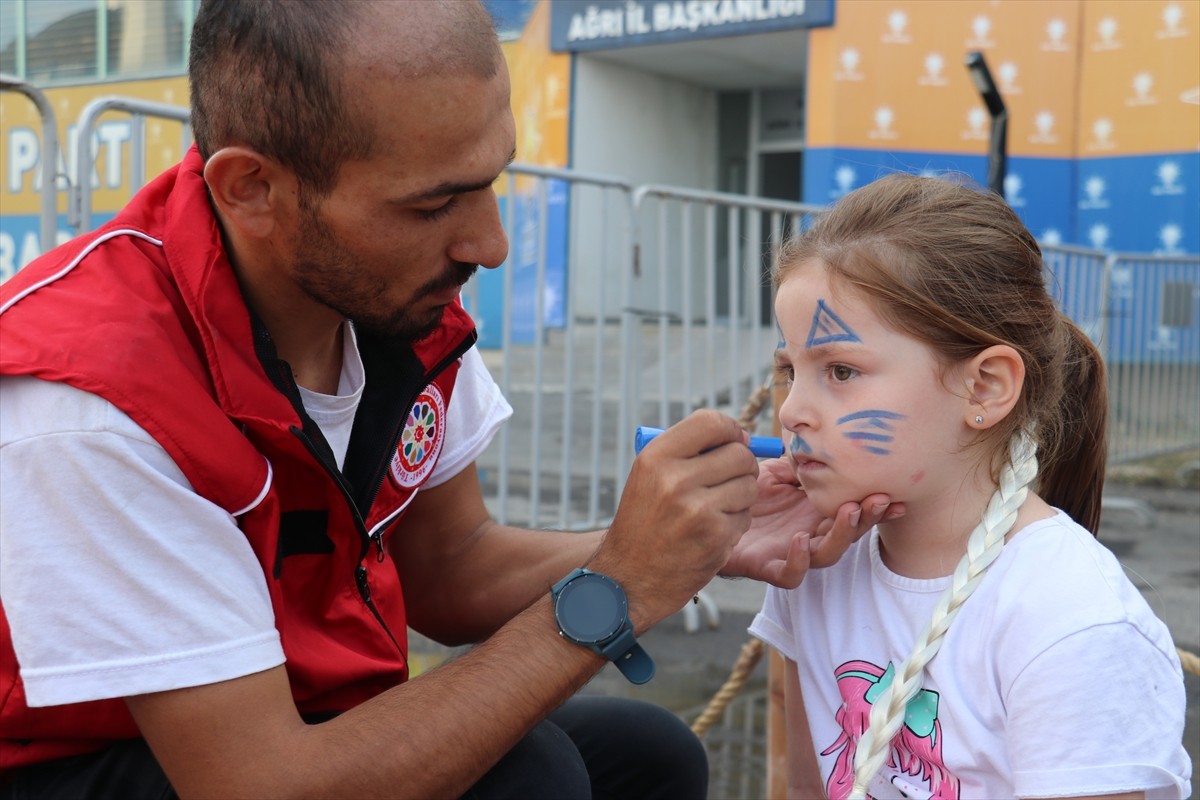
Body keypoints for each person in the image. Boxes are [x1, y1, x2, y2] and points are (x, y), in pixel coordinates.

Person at [0, 1, 901, 797]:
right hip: (105, 763)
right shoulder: (90, 400)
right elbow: (258, 784)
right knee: (533, 779)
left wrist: (687, 546)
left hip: (294, 721)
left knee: (647, 753)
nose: (490, 243)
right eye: (435, 205)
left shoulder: (392, 297)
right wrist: (616, 588)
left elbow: (449, 565)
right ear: (254, 189)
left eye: (492, 179)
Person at [749, 173, 1192, 799]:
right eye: (790, 370)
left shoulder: (1072, 623)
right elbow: (807, 790)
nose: (793, 409)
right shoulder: (815, 564)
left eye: (841, 370)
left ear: (984, 387)